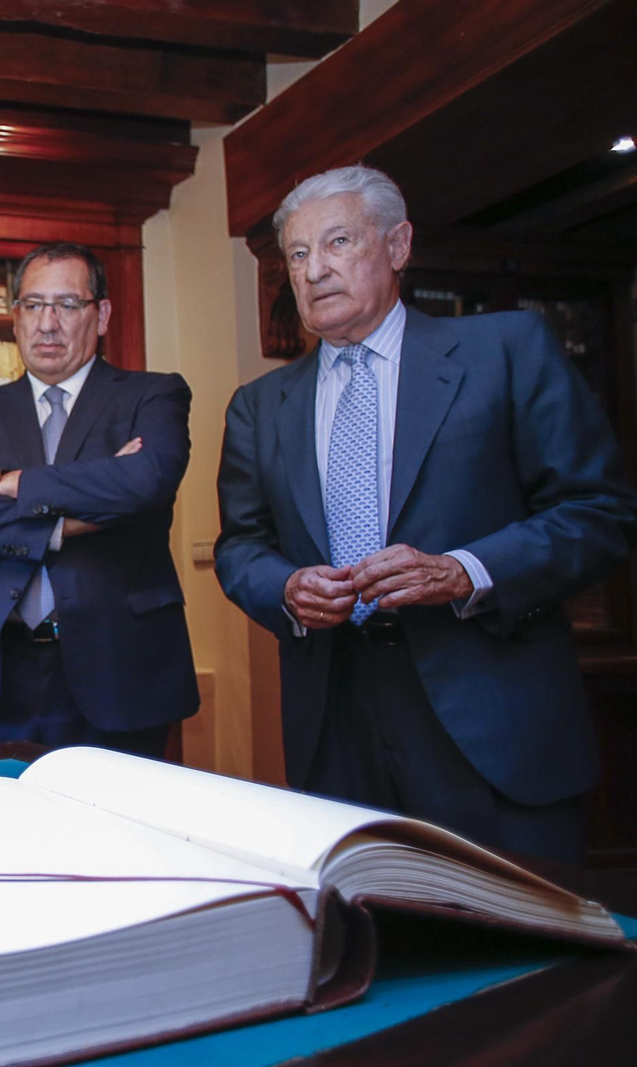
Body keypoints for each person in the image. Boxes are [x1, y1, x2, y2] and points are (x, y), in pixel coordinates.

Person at [215, 165, 637, 863]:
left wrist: (465, 570)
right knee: (372, 953)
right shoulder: (260, 406)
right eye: (297, 254)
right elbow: (241, 546)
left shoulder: (504, 351)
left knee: (518, 958)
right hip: (335, 723)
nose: (315, 269)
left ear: (398, 245)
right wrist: (285, 587)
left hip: (491, 717)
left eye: (338, 242)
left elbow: (599, 511)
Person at [0, 242, 198, 752]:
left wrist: (13, 484)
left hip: (121, 671)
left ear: (102, 315)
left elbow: (145, 484)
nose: (47, 323)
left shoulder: (152, 395)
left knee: (119, 831)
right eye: (33, 305)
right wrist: (65, 523)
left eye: (68, 305)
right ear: (15, 317)